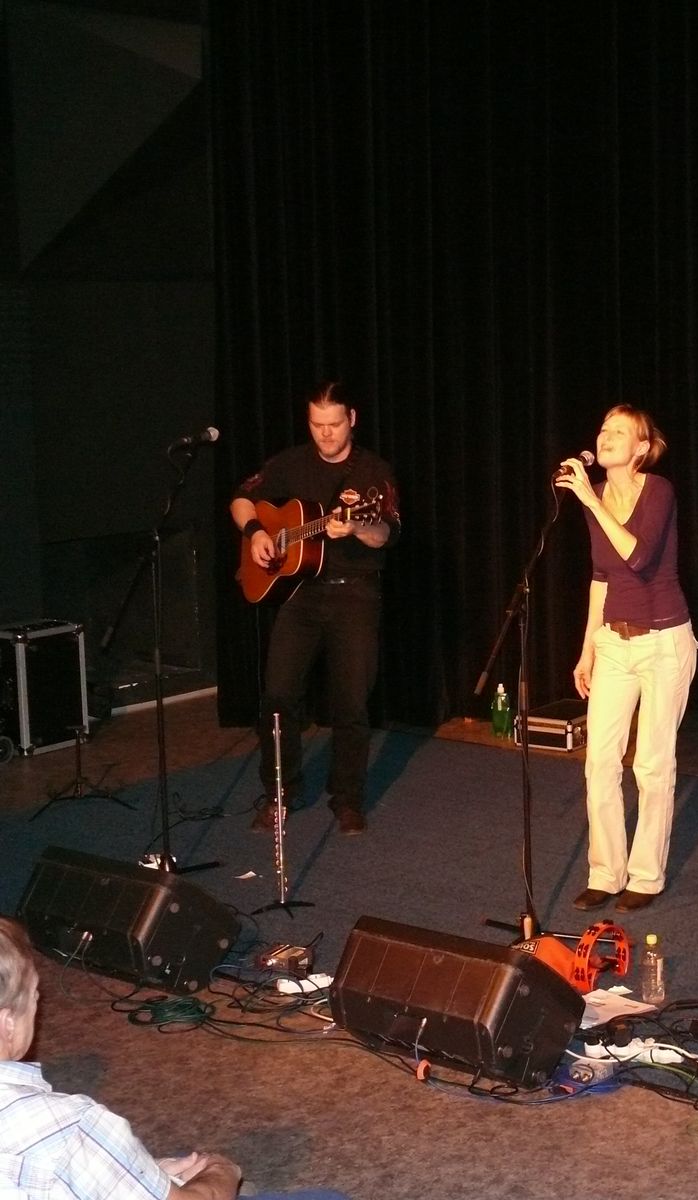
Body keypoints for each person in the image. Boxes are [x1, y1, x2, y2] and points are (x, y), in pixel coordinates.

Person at [1, 917, 348, 1199]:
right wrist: (223, 1173)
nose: (39, 1006)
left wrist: (140, 1174)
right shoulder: (68, 1126)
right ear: (7, 1024)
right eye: (35, 997)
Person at [231, 383, 401, 836]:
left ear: (352, 419)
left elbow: (388, 532)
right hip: (300, 596)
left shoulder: (373, 471)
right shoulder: (290, 463)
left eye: (334, 424)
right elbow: (241, 497)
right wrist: (256, 533)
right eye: (317, 425)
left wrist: (359, 528)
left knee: (351, 703)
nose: (325, 434)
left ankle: (347, 800)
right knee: (277, 697)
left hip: (355, 596)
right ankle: (280, 793)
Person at [556, 406, 698, 914]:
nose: (606, 436)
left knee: (652, 765)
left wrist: (592, 502)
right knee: (599, 760)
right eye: (603, 428)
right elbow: (602, 576)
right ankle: (605, 871)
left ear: (640, 448)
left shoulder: (657, 490)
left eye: (619, 431)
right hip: (614, 643)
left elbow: (637, 557)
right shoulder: (595, 498)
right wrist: (587, 648)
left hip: (663, 643)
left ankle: (645, 876)